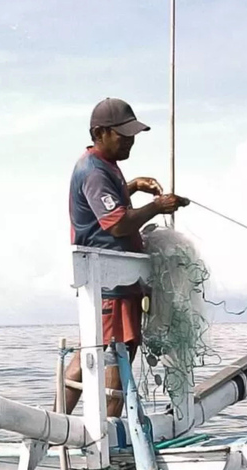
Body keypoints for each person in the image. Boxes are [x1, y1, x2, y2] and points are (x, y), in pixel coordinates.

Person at [64, 97, 189, 417]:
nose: (130, 140)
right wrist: (158, 207)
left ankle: (52, 429)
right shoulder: (93, 171)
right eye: (123, 134)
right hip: (112, 283)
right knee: (115, 376)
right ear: (100, 132)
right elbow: (117, 224)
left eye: (133, 134)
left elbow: (107, 209)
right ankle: (104, 447)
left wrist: (132, 185)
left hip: (115, 283)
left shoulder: (106, 166)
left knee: (85, 356)